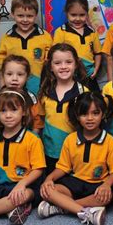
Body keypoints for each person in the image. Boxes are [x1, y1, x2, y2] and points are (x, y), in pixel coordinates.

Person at [38, 92, 113, 225]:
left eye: (95, 113)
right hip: (74, 182)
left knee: (106, 197)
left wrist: (106, 185)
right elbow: (63, 167)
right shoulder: (70, 139)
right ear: (77, 116)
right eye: (84, 114)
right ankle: (86, 212)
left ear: (103, 114)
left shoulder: (109, 141)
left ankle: (63, 207)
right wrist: (49, 178)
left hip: (97, 186)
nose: (90, 118)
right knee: (49, 191)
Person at [0, 90, 45, 225]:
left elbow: (38, 169)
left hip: (24, 186)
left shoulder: (32, 139)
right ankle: (9, 209)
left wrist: (21, 184)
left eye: (13, 110)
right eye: (3, 111)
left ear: (23, 112)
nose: (8, 115)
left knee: (23, 196)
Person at [38, 43, 88, 173]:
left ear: (76, 64)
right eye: (58, 63)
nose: (64, 66)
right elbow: (40, 122)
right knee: (48, 188)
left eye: (68, 62)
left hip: (75, 154)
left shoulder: (84, 93)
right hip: (49, 153)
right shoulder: (45, 92)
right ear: (50, 66)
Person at [0, 0, 52, 95]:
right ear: (13, 14)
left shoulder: (45, 36)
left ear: (35, 15)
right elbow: (2, 67)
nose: (25, 20)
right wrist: (3, 88)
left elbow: (49, 64)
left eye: (30, 16)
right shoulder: (7, 38)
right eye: (20, 15)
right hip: (14, 86)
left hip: (39, 85)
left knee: (37, 110)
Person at [53, 0, 102, 91]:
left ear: (87, 14)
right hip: (69, 76)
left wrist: (96, 69)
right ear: (67, 13)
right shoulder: (61, 32)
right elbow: (55, 56)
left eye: (82, 15)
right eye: (73, 15)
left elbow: (98, 53)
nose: (78, 19)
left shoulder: (92, 32)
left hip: (89, 77)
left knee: (93, 101)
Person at [0, 55, 43, 134]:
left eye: (20, 74)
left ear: (28, 77)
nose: (14, 78)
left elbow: (37, 125)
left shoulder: (32, 99)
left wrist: (32, 140)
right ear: (3, 75)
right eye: (9, 74)